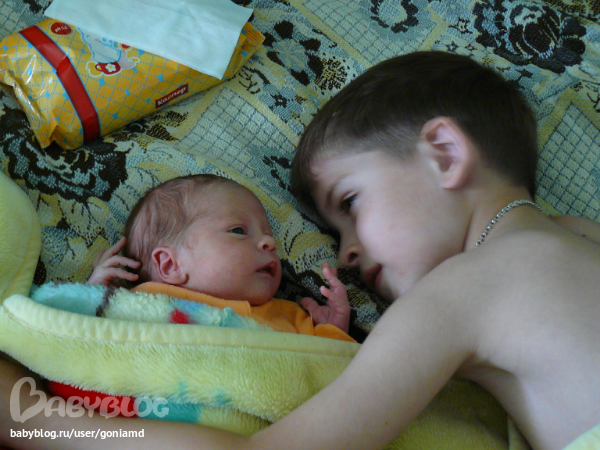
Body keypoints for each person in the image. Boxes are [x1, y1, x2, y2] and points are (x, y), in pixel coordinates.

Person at [2, 51, 600, 450]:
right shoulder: (576, 235)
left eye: (351, 203)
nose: (346, 255)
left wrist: (44, 423)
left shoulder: (462, 290)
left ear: (444, 153)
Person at [88, 173, 353, 340]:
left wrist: (334, 330)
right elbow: (79, 342)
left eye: (268, 233)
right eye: (238, 231)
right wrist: (91, 296)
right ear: (170, 265)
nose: (269, 242)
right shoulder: (137, 305)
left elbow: (331, 376)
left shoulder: (290, 316)